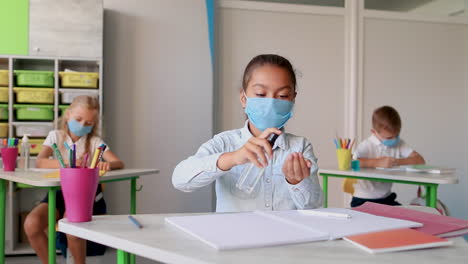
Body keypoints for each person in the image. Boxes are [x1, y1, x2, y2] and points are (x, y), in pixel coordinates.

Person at [172, 54, 323, 212]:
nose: (271, 102)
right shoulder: (225, 143)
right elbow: (180, 180)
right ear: (244, 99)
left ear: (292, 100)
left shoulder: (300, 147)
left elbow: (315, 207)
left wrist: (296, 182)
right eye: (260, 94)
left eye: (282, 96)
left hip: (286, 236)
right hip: (234, 236)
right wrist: (232, 158)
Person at [24, 95, 124, 264]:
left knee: (72, 228)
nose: (82, 125)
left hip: (84, 196)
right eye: (78, 119)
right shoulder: (55, 136)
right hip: (59, 194)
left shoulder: (94, 142)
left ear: (94, 124)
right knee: (31, 224)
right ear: (68, 114)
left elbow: (118, 162)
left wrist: (106, 165)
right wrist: (66, 165)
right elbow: (40, 161)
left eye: (89, 123)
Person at [351, 105, 425, 207]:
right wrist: (377, 163)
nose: (394, 139)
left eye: (397, 135)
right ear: (374, 132)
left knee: (408, 216)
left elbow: (420, 160)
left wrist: (396, 162)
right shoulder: (367, 145)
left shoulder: (399, 144)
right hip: (363, 200)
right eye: (389, 137)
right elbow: (351, 162)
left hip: (387, 198)